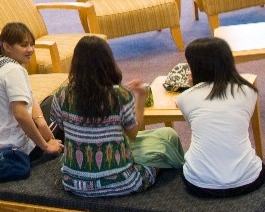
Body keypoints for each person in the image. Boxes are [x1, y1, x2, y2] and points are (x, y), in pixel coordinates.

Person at [49, 36, 183, 197]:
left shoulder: (60, 95)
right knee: (166, 142)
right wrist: (140, 98)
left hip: (74, 183)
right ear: (108, 61)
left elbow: (63, 127)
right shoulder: (119, 95)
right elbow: (133, 133)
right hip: (122, 182)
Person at [176, 37, 265, 197]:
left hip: (199, 185)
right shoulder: (249, 92)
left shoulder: (184, 98)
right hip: (248, 181)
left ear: (197, 68)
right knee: (258, 164)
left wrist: (193, 87)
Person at [0, 22, 63, 160]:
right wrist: (45, 146)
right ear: (6, 46)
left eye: (31, 44)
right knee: (63, 108)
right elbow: (20, 114)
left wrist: (41, 123)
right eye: (24, 45)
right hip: (13, 150)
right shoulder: (13, 70)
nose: (30, 49)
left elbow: (29, 96)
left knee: (51, 102)